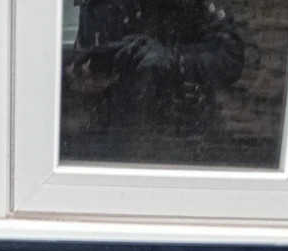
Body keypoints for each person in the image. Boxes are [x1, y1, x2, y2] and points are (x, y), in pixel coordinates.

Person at [63, 0, 246, 166]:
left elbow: (229, 57)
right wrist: (81, 75)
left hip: (182, 139)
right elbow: (81, 62)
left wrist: (172, 59)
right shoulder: (99, 6)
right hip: (113, 143)